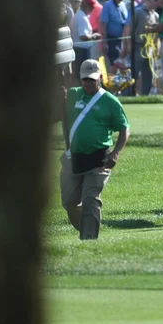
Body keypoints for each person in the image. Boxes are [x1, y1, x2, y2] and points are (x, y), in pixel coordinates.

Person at [59, 59, 130, 239]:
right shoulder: (72, 95)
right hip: (73, 158)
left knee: (91, 199)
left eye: (92, 79)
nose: (89, 83)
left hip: (99, 158)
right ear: (80, 79)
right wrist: (57, 97)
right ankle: (86, 224)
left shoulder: (110, 101)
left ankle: (89, 240)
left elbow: (124, 129)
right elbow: (55, 110)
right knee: (69, 201)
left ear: (100, 77)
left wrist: (116, 153)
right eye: (85, 80)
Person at [120, 0, 159, 96]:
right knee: (134, 72)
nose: (157, 3)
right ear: (150, 0)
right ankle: (127, 93)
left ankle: (145, 94)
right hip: (138, 46)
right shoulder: (138, 12)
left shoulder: (155, 15)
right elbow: (128, 28)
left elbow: (156, 34)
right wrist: (128, 45)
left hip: (149, 48)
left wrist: (156, 47)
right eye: (155, 0)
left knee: (149, 73)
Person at [71, 0, 101, 84]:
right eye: (91, 7)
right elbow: (83, 36)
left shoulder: (80, 15)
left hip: (79, 50)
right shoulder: (82, 18)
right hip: (81, 51)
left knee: (80, 74)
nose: (92, 9)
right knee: (83, 75)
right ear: (85, 6)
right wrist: (94, 36)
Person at [99, 0, 129, 72]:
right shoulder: (108, 5)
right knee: (114, 64)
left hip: (122, 39)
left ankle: (120, 84)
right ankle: (112, 84)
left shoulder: (123, 5)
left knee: (122, 64)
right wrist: (105, 42)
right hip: (112, 39)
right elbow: (103, 23)